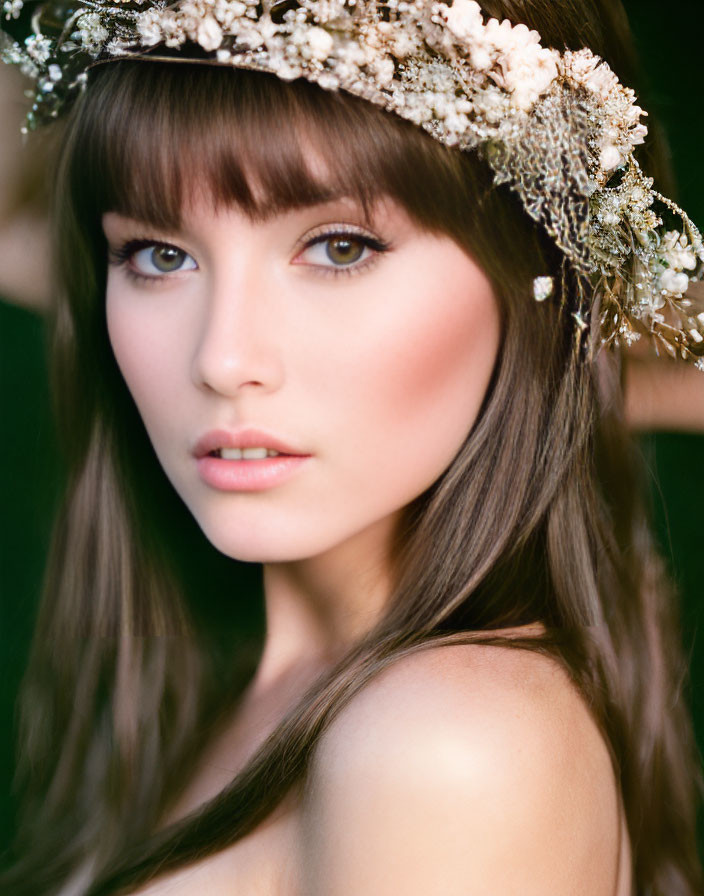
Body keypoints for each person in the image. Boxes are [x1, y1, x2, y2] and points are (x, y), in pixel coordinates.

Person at [0, 1, 702, 894]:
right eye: (159, 255)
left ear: (530, 277)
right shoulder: (267, 689)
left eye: (338, 247)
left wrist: (576, 355)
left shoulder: (448, 743)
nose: (222, 360)